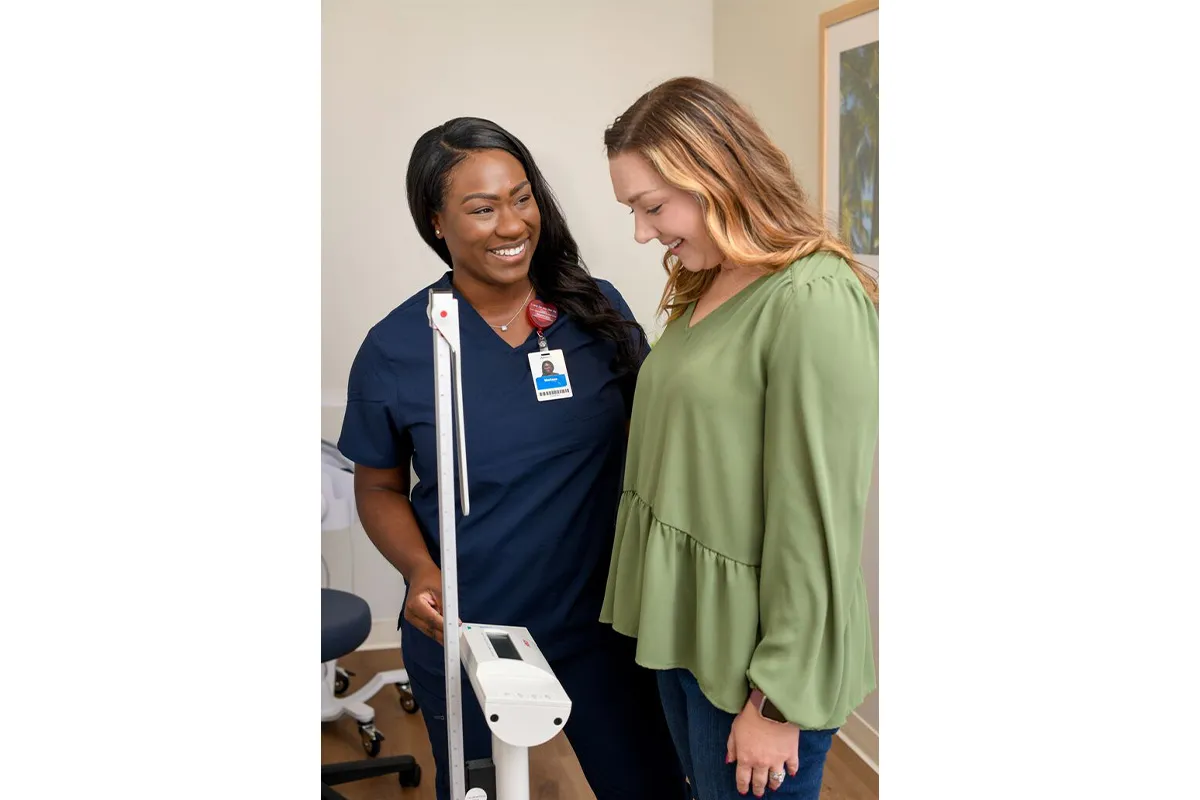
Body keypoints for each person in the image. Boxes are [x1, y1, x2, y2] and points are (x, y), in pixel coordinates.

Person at [336, 116, 687, 800]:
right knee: (480, 793)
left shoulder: (594, 310)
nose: (510, 224)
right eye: (481, 207)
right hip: (474, 629)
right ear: (436, 221)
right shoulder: (400, 347)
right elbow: (378, 486)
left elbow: (658, 442)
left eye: (521, 198)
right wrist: (418, 570)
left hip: (606, 619)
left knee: (648, 785)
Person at [599, 77, 880, 800]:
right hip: (689, 633)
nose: (642, 231)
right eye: (634, 209)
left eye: (651, 207)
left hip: (758, 665)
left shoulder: (813, 298)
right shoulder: (705, 280)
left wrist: (776, 700)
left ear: (715, 174)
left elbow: (816, 523)